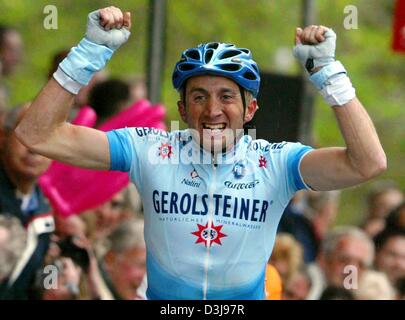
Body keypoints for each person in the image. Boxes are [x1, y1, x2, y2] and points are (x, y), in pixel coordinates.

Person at [15, 7, 386, 299]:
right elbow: (37, 133)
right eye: (199, 97)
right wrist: (88, 53)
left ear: (251, 109)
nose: (212, 110)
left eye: (226, 96)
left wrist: (327, 72)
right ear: (181, 110)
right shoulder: (151, 148)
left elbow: (368, 162)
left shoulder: (276, 161)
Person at [0, 104, 54, 299]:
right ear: (2, 137)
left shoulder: (46, 212)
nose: (34, 149)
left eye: (45, 139)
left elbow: (43, 285)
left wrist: (55, 274)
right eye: (26, 135)